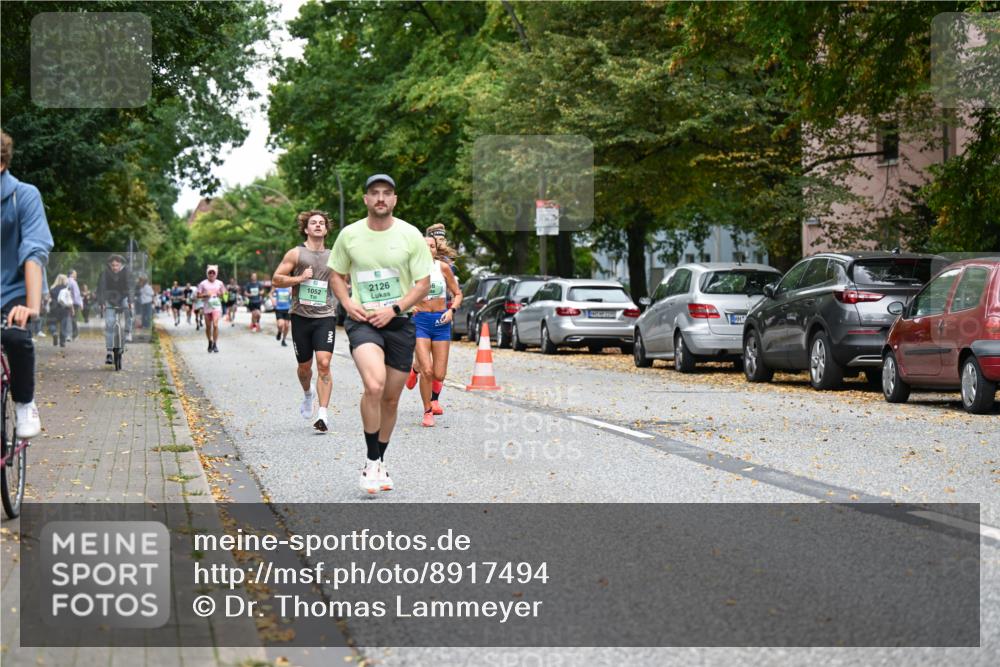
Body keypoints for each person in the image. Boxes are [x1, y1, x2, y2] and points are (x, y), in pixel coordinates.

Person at [329, 174, 433, 494]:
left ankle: (379, 461)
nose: (380, 199)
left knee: (390, 398)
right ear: (365, 200)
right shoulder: (349, 235)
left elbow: (422, 284)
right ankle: (371, 459)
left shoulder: (410, 235)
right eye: (374, 193)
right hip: (363, 321)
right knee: (373, 385)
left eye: (387, 193)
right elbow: (335, 273)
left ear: (394, 200)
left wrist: (396, 309)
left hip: (400, 323)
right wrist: (347, 302)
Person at [1, 129, 54, 439]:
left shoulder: (25, 195)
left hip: (16, 291)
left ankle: (24, 404)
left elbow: (34, 252)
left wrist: (32, 307)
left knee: (16, 337)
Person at [272, 210, 339, 432]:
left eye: (322, 223)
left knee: (324, 364)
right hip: (301, 317)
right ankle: (308, 394)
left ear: (326, 229)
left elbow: (344, 281)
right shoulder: (296, 253)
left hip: (325, 316)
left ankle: (323, 415)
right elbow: (276, 279)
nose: (318, 225)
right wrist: (300, 278)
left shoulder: (335, 255)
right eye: (314, 223)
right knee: (304, 367)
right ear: (306, 229)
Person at [407, 235, 462, 426]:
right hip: (420, 321)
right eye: (424, 246)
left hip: (440, 322)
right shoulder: (410, 268)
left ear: (435, 250)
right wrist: (408, 306)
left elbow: (457, 294)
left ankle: (414, 368)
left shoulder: (442, 268)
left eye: (431, 246)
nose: (428, 249)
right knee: (427, 371)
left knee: (439, 374)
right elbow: (399, 291)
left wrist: (451, 310)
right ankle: (427, 410)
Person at [96, 254, 133, 365]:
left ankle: (127, 332)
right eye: (113, 265)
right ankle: (109, 353)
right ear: (109, 265)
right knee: (110, 324)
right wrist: (102, 303)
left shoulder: (126, 273)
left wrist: (131, 302)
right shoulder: (104, 274)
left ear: (121, 265)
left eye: (117, 265)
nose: (115, 267)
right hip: (109, 299)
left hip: (123, 297)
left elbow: (130, 287)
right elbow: (101, 289)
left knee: (129, 309)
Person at [198, 265, 226, 352]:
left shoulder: (220, 283)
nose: (211, 274)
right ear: (207, 273)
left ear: (216, 273)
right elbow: (198, 295)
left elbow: (225, 294)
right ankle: (209, 342)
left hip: (216, 306)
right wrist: (206, 294)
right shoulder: (203, 283)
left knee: (215, 325)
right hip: (207, 307)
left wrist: (221, 294)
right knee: (208, 327)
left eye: (213, 272)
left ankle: (215, 344)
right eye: (210, 272)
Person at [48, 274, 75, 348]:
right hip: (64, 309)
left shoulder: (52, 288)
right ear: (64, 280)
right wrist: (72, 309)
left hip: (54, 308)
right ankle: (62, 342)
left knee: (52, 323)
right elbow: (69, 300)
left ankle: (54, 332)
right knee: (64, 325)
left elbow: (48, 298)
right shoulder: (66, 289)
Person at [67, 269, 83, 340]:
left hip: (67, 302)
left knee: (68, 318)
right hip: (73, 303)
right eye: (75, 273)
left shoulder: (66, 281)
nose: (76, 275)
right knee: (73, 319)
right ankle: (74, 335)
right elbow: (76, 294)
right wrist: (80, 303)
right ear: (71, 274)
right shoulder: (73, 282)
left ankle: (70, 334)